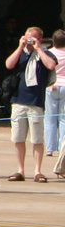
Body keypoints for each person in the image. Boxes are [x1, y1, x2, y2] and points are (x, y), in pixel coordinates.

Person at [5, 25, 57, 183]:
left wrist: (38, 48)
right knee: (18, 138)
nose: (28, 41)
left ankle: (37, 171)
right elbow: (9, 64)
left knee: (37, 139)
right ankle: (20, 170)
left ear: (39, 39)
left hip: (35, 102)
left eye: (32, 38)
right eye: (27, 37)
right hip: (18, 101)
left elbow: (51, 65)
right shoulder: (21, 53)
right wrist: (20, 47)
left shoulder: (44, 54)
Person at [44, 29, 65, 179]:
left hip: (52, 86)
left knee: (50, 118)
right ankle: (60, 146)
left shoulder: (49, 52)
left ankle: (50, 148)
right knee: (63, 119)